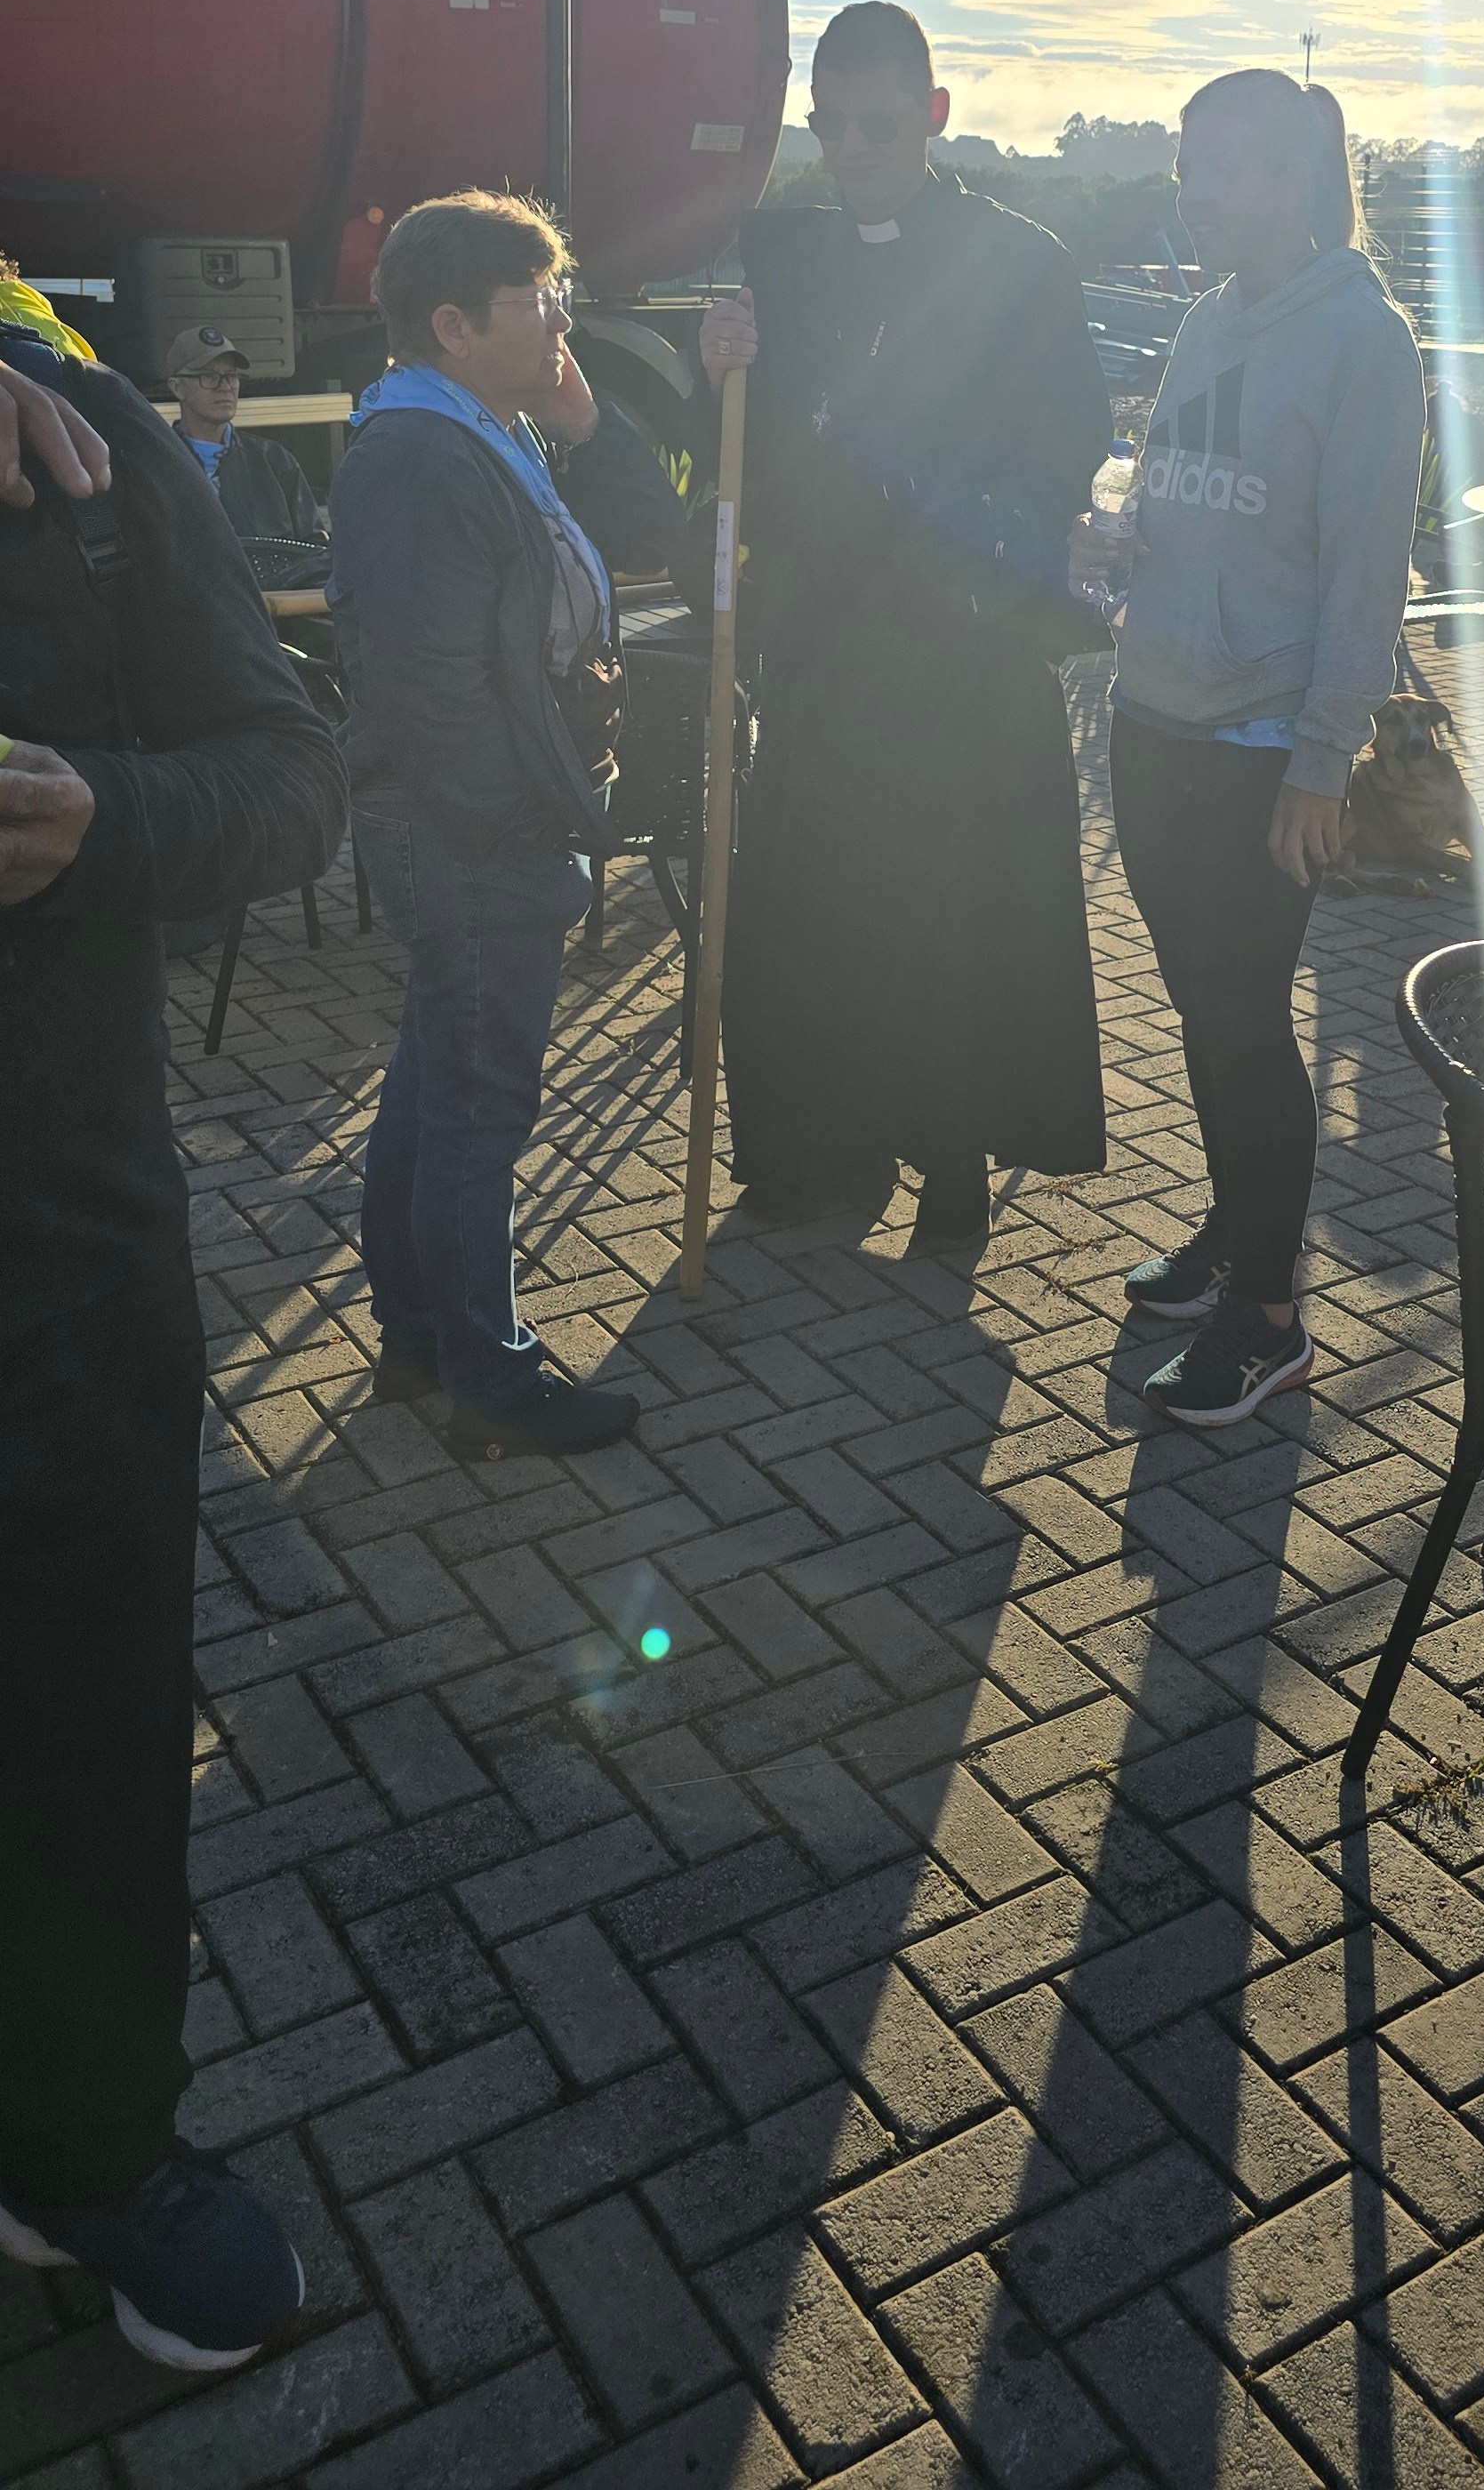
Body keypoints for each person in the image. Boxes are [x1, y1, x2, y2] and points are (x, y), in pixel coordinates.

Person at [0, 334, 346, 2368]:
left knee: (81, 1710)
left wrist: (98, 816)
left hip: (53, 1262)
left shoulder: (80, 435)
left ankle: (86, 2148)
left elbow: (289, 775)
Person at [702, 0, 1109, 1249]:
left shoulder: (1020, 261)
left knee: (955, 911)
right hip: (825, 652)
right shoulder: (780, 256)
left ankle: (950, 1157)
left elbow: (1068, 444)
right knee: (820, 901)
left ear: (932, 116)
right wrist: (719, 375)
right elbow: (735, 454)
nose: (853, 147)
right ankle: (818, 1150)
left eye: (879, 122)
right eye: (830, 123)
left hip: (957, 656)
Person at [330, 191, 683, 1455]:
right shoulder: (422, 456)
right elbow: (427, 691)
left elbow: (656, 535)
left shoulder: (481, 425)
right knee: (480, 1107)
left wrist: (585, 415)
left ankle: (421, 1343)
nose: (561, 320)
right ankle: (487, 1369)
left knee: (435, 1092)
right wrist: (522, 827)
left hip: (482, 826)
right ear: (451, 322)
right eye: (539, 301)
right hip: (474, 834)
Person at [1100, 68, 1425, 1428]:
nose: (1193, 193)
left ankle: (1273, 1316)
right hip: (1149, 714)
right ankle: (1239, 1228)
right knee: (1200, 1008)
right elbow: (1173, 486)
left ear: (1293, 180)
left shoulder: (1365, 340)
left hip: (1257, 743)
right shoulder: (1202, 322)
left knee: (1246, 1021)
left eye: (1219, 168)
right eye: (1186, 166)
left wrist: (1322, 758)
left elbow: (1369, 574)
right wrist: (1117, 536)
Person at [164, 325, 328, 557]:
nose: (225, 387)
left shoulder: (274, 460)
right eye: (209, 377)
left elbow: (315, 549)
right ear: (177, 388)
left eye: (231, 376)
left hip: (272, 592)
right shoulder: (156, 466)